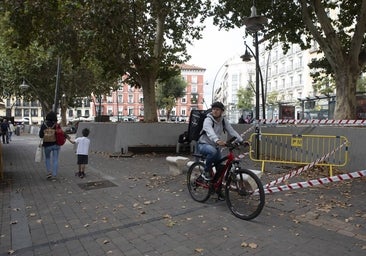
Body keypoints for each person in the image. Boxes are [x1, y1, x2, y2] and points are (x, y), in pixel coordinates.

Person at [197, 102, 244, 181]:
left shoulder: (223, 120)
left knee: (220, 168)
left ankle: (216, 187)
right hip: (203, 144)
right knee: (213, 152)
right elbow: (210, 132)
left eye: (217, 109)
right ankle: (206, 172)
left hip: (215, 146)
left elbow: (231, 131)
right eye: (213, 109)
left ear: (222, 111)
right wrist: (217, 140)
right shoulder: (207, 120)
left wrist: (241, 140)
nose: (215, 111)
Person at [39, 111, 60, 180]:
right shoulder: (56, 125)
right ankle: (54, 174)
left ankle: (49, 172)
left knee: (47, 158)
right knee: (55, 159)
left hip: (47, 145)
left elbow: (40, 135)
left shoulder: (44, 125)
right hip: (56, 144)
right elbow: (60, 133)